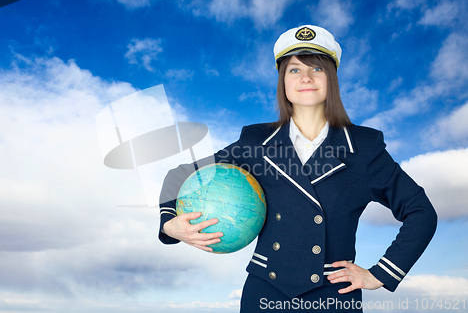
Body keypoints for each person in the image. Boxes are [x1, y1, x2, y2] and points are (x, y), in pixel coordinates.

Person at [158, 25, 437, 312]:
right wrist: (169, 223)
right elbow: (180, 176)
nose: (305, 77)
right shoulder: (255, 141)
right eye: (294, 70)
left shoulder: (364, 147)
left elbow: (421, 212)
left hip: (333, 296)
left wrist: (381, 274)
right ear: (283, 82)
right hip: (264, 293)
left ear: (331, 78)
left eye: (316, 68)